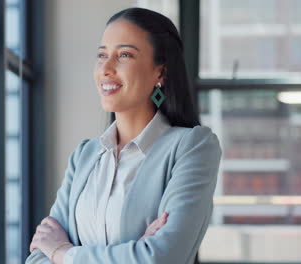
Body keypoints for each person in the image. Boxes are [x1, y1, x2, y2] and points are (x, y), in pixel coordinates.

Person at [26, 7, 222, 264]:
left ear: (160, 73)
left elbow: (160, 257)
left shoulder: (192, 147)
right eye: (101, 55)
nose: (106, 68)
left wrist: (63, 252)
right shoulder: (84, 156)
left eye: (125, 55)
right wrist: (134, 252)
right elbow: (38, 257)